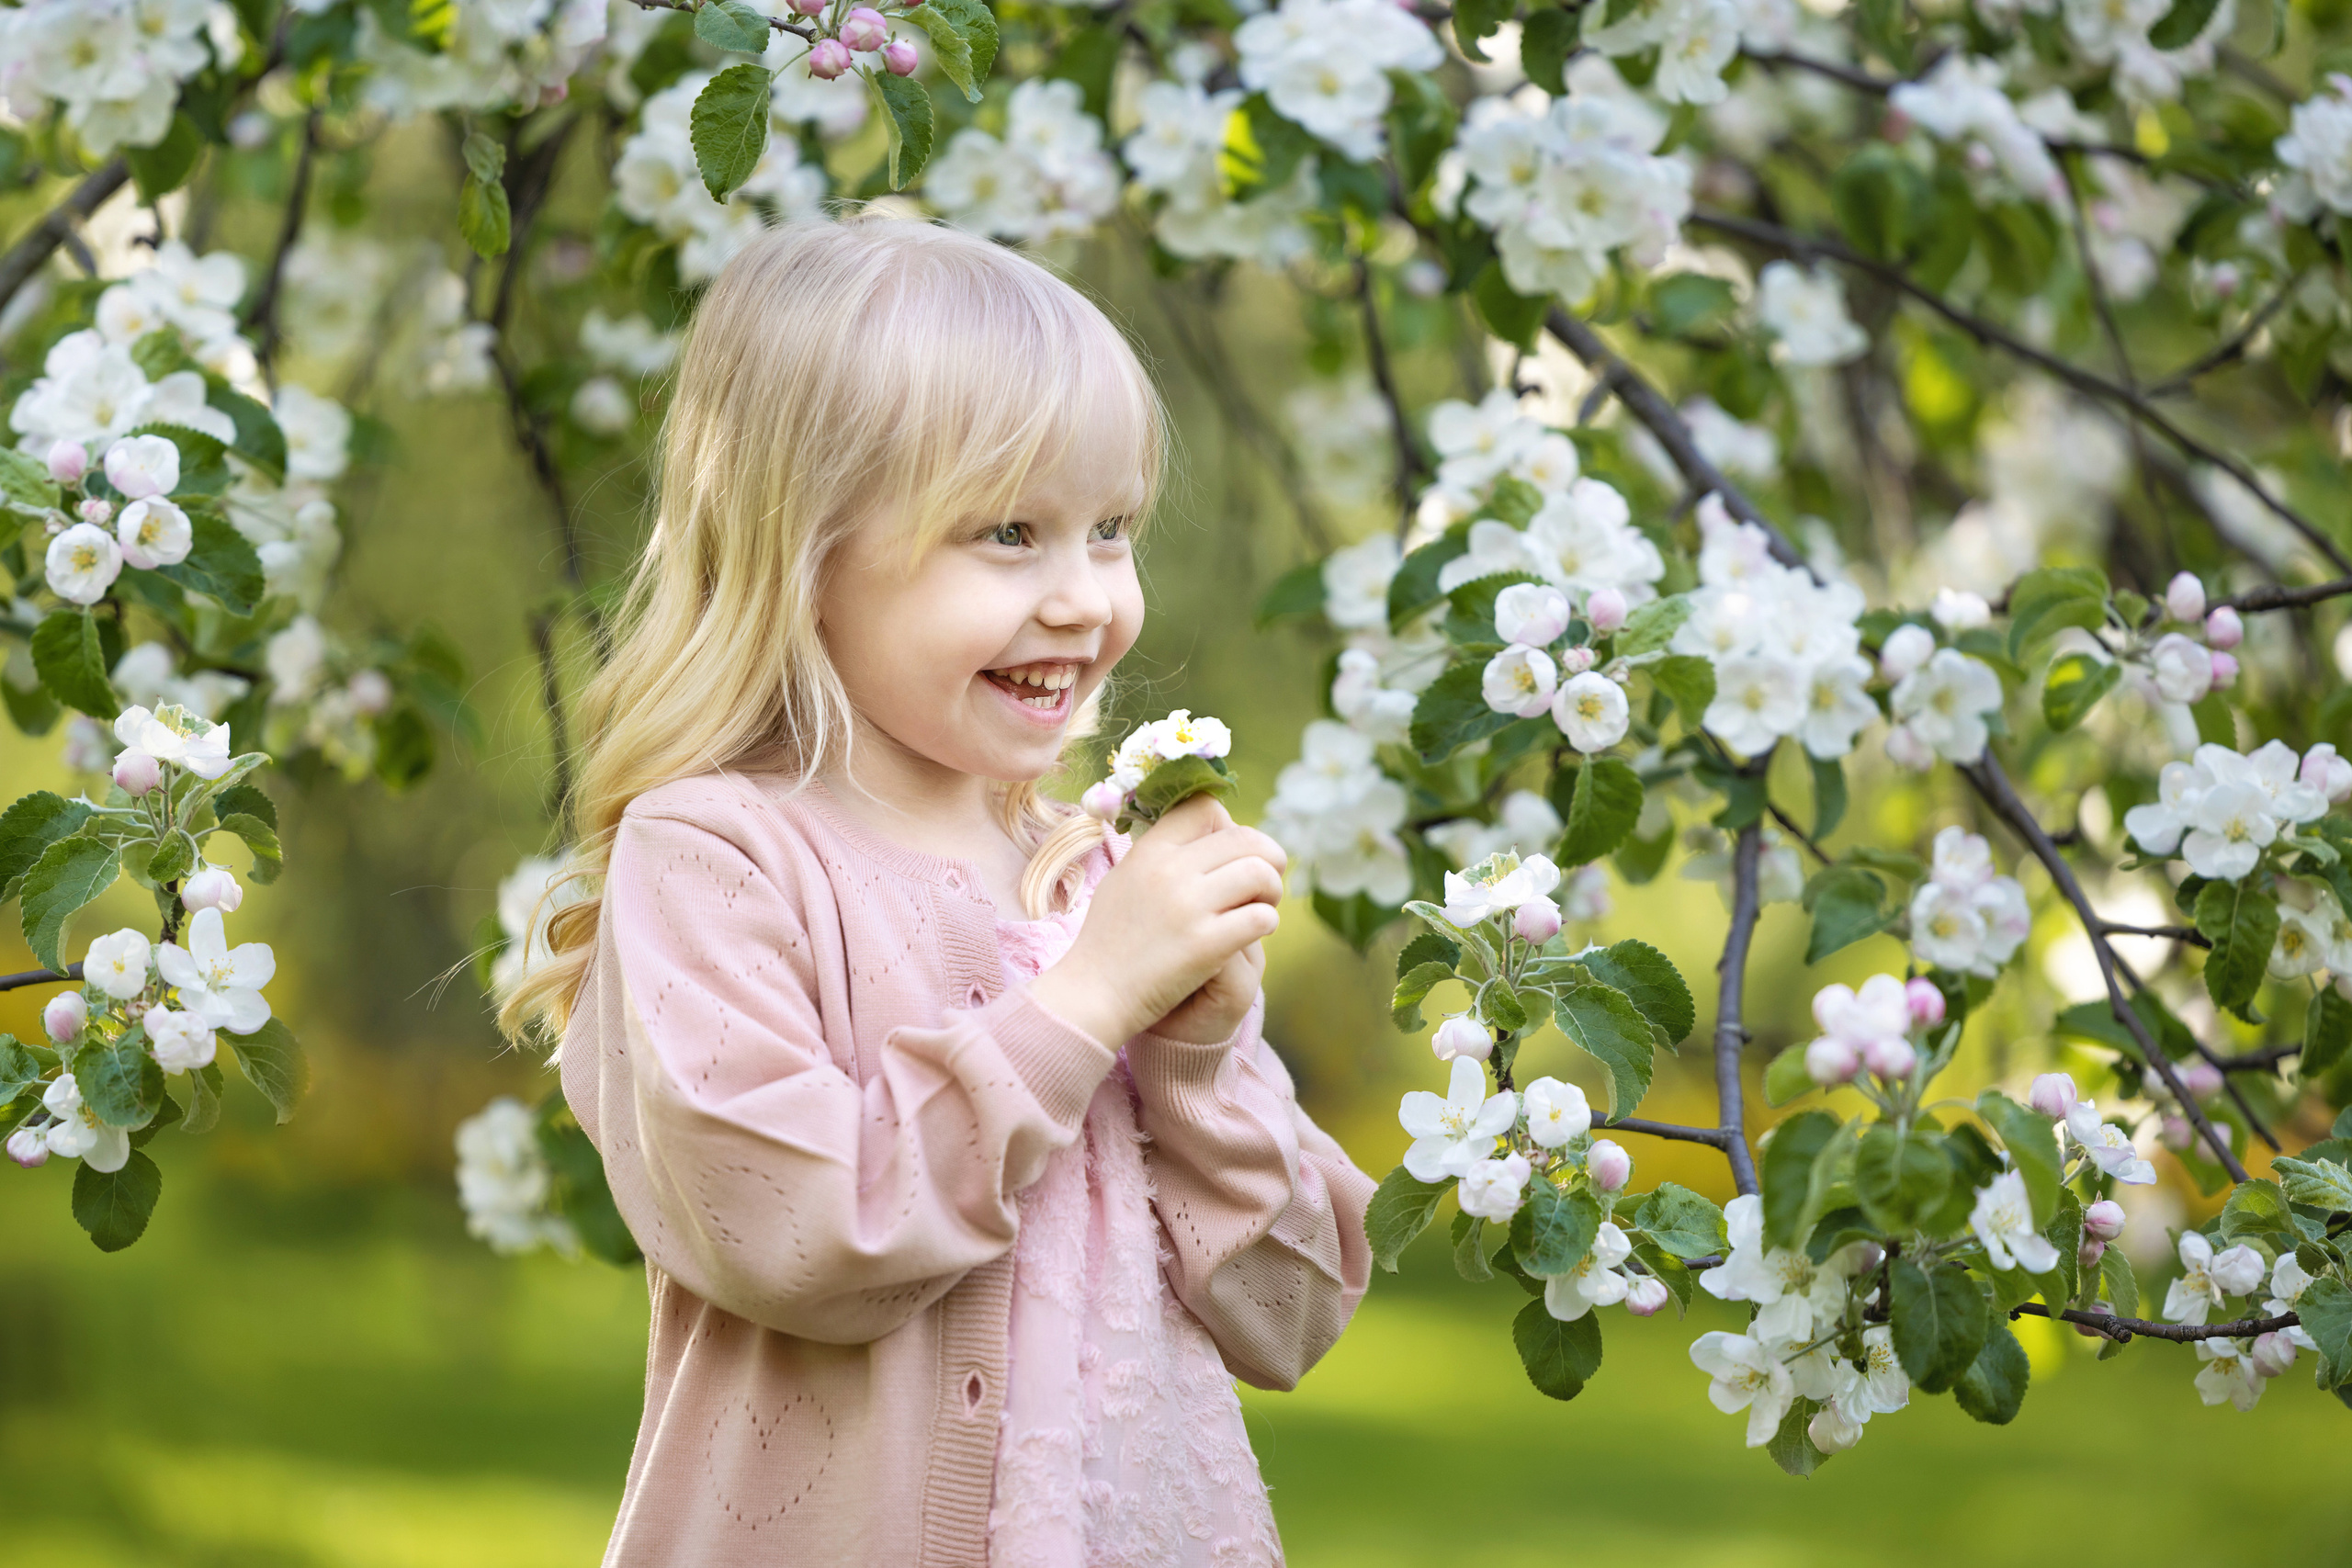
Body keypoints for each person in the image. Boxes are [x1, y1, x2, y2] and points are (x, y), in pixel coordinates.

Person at [500, 211, 1375, 1567]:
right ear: (808, 554)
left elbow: (1291, 1314)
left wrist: (1198, 1053)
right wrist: (1084, 1006)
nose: (1087, 597)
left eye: (1112, 530)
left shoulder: (1090, 871)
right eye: (1010, 533)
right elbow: (807, 1238)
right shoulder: (717, 861)